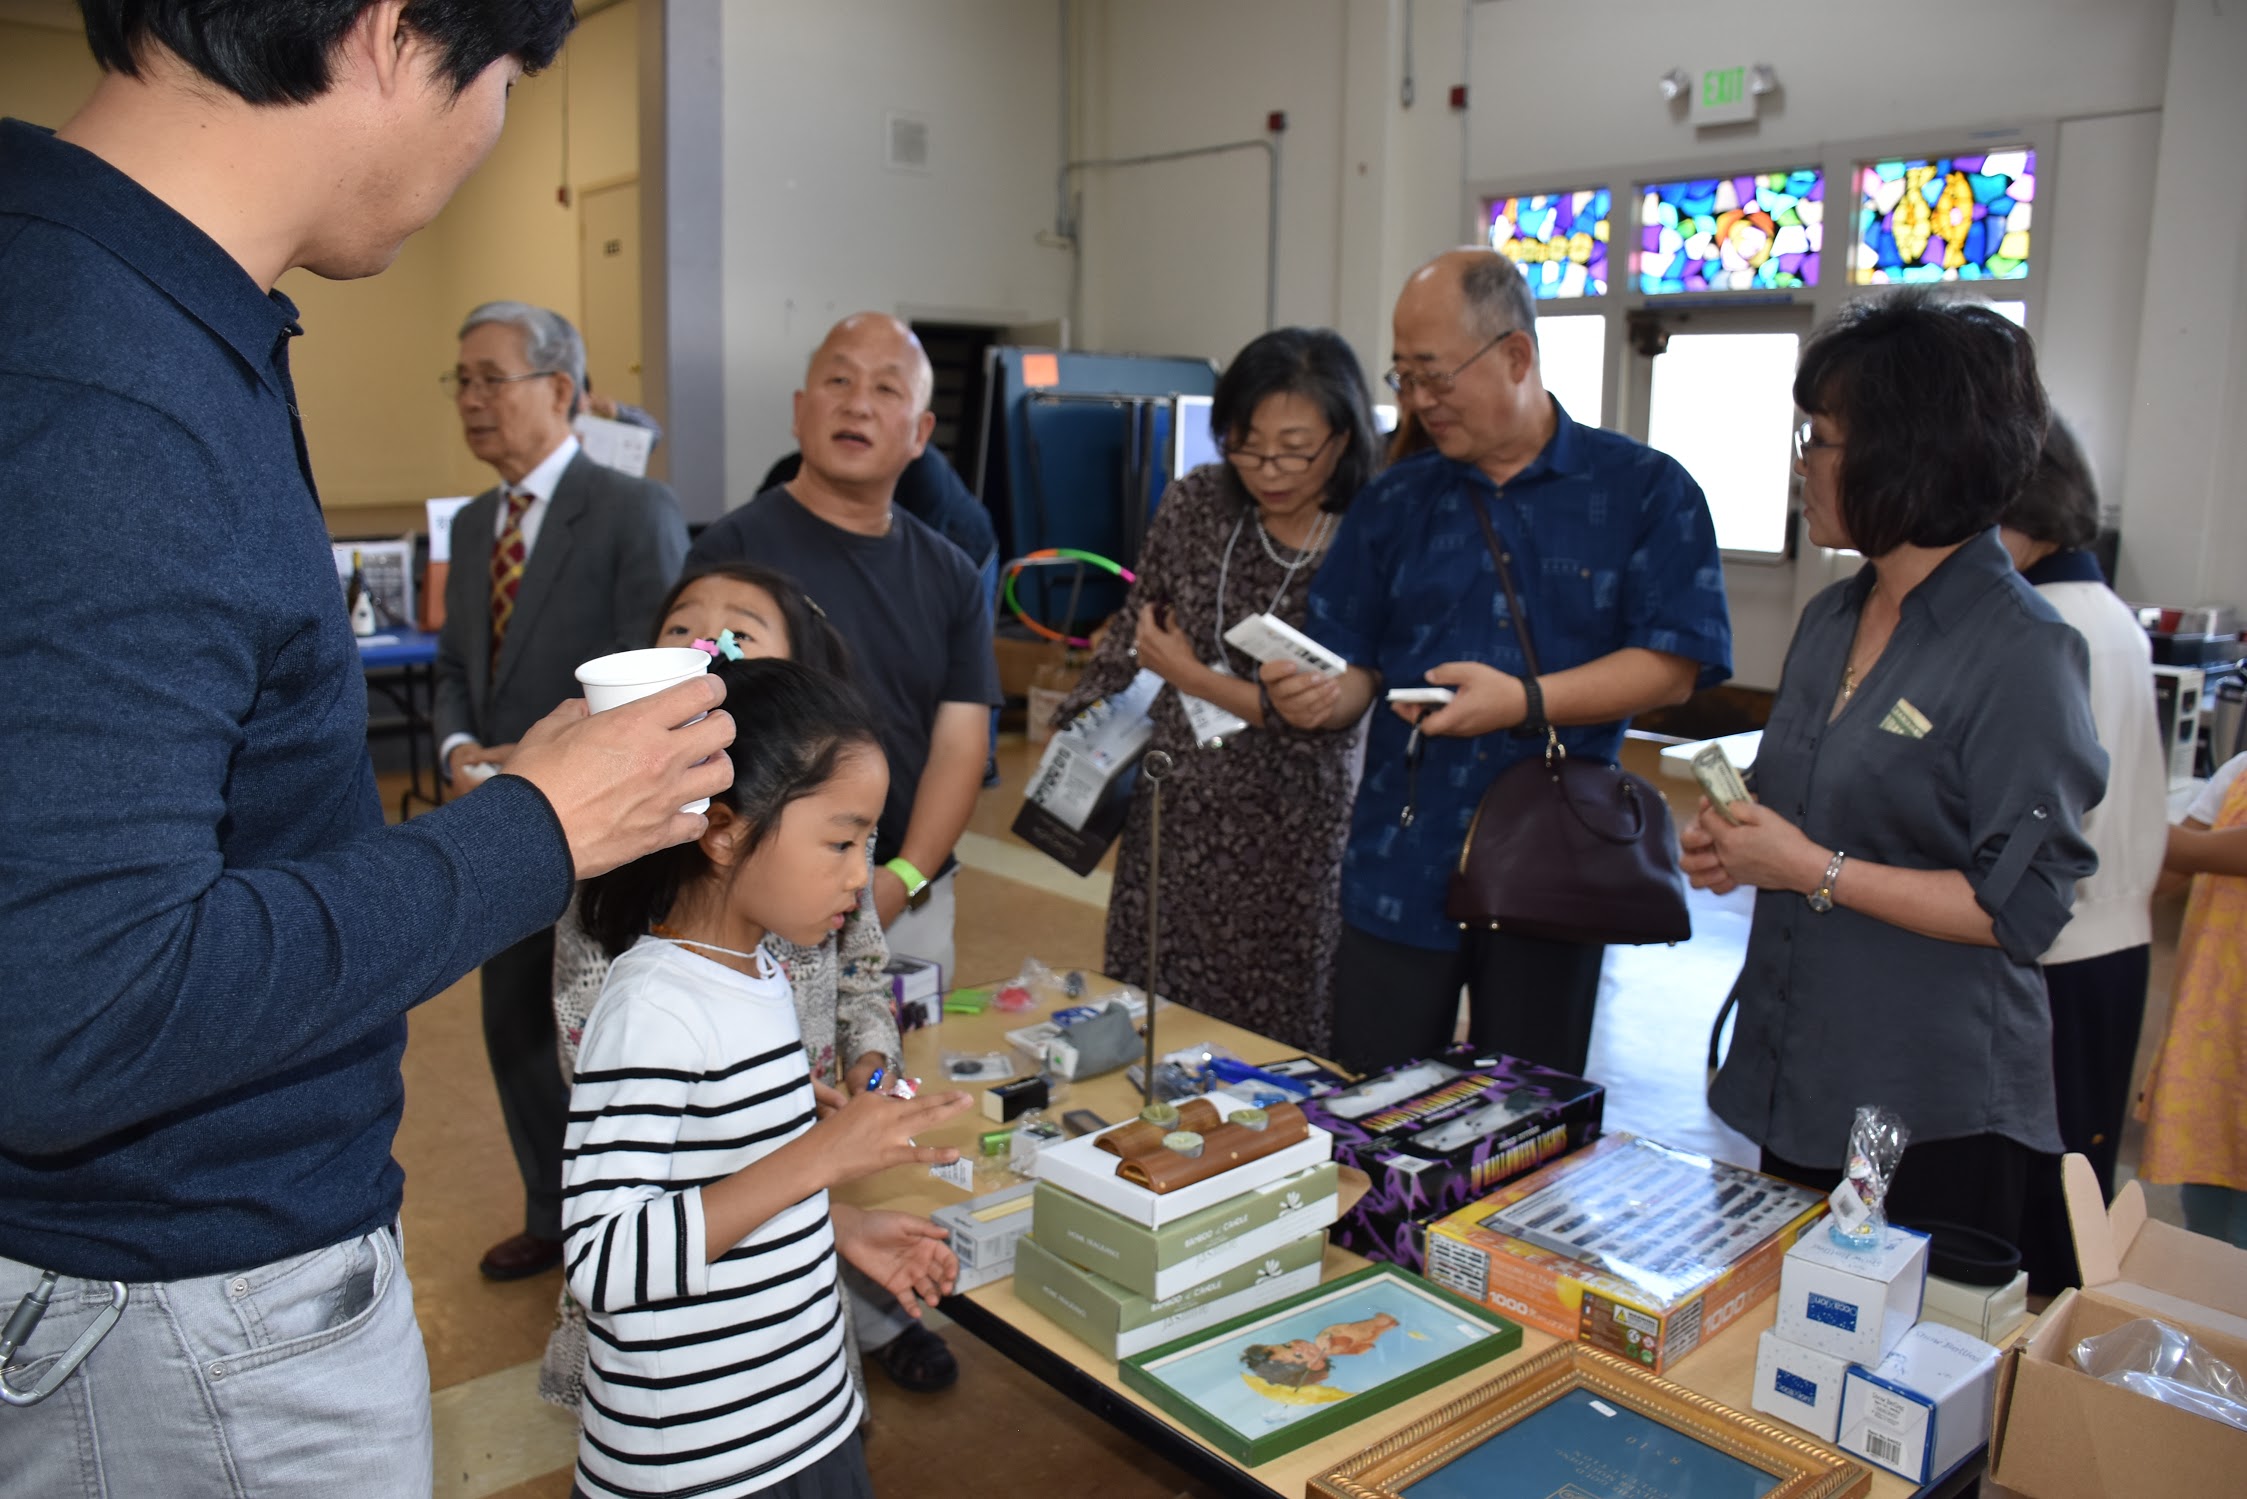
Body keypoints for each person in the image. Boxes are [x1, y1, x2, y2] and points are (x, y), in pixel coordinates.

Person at [0, 4, 733, 1494]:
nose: (496, 126)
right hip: (185, 1308)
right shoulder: (112, 385)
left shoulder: (139, 310)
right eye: (513, 79)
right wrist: (535, 824)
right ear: (400, 35)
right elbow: (77, 1009)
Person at [1688, 292, 2107, 1242]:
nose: (1801, 464)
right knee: (1787, 1352)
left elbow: (2021, 909)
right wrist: (1736, 841)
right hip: (1804, 1072)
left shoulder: (2020, 651)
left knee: (1884, 1372)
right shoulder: (1831, 617)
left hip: (1923, 1105)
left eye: (1821, 439)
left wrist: (1808, 870)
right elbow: (1802, 805)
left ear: (1905, 452)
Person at [1265, 250, 1731, 1078]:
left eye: (1435, 376)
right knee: (1370, 1101)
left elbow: (1673, 664)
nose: (1416, 401)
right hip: (1398, 858)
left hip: (1556, 860)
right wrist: (1321, 696)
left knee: (1529, 1118)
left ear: (1516, 356)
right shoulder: (1397, 498)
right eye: (1403, 376)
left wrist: (1523, 700)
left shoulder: (1643, 491)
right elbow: (1355, 665)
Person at [565, 656, 974, 1499]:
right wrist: (819, 1159)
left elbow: (725, 1185)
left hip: (804, 1424)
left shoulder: (763, 976)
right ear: (721, 830)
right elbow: (604, 1261)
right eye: (840, 840)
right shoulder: (653, 1007)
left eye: (869, 844)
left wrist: (838, 1223)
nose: (862, 875)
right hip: (702, 1466)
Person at [540, 563, 912, 1411]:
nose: (709, 643)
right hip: (690, 1406)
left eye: (742, 627)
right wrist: (812, 1154)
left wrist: (849, 1091)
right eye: (684, 629)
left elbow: (862, 982)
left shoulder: (769, 956)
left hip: (791, 1367)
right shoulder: (652, 992)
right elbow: (614, 1243)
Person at [434, 299, 690, 1282]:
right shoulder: (469, 524)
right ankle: (552, 1208)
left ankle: (633, 1225)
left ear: (561, 390)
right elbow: (460, 664)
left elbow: (659, 674)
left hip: (609, 829)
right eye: (461, 380)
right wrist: (461, 746)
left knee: (610, 1034)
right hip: (500, 822)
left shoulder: (632, 512)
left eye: (491, 377)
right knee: (515, 1025)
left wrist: (549, 758)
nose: (471, 399)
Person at [1052, 328, 1379, 1053]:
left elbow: (1322, 712)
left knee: (1277, 1037)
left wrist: (1193, 676)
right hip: (1174, 813)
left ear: (1343, 434)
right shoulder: (1199, 501)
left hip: (1294, 828)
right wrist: (1079, 731)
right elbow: (1137, 630)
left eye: (1293, 447)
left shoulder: (1367, 531)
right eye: (1245, 441)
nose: (1266, 467)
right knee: (1152, 1018)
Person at [687, 314, 1002, 985]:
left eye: (887, 389)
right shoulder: (730, 555)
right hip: (751, 891)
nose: (858, 402)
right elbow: (694, 720)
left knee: (895, 1078)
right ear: (801, 412)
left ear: (920, 433)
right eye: (838, 380)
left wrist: (903, 875)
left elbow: (959, 742)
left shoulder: (950, 571)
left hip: (905, 894)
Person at [1997, 418, 2168, 1291]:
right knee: (2079, 1182)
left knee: (2036, 1207)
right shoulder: (2113, 618)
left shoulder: (2043, 623)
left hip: (2054, 949)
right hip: (2116, 942)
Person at [2136, 750, 2247, 1249]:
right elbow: (2160, 876)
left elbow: (2190, 853)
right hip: (2218, 1039)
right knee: (2207, 1210)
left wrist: (2119, 805)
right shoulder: (2238, 773)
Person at [1241, 1312, 1400, 1390]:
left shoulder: (1323, 1340)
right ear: (1315, 1365)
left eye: (1287, 1345)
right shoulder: (1325, 1344)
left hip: (1384, 1324)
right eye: (1298, 1355)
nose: (1297, 1346)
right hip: (1384, 1326)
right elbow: (1360, 1347)